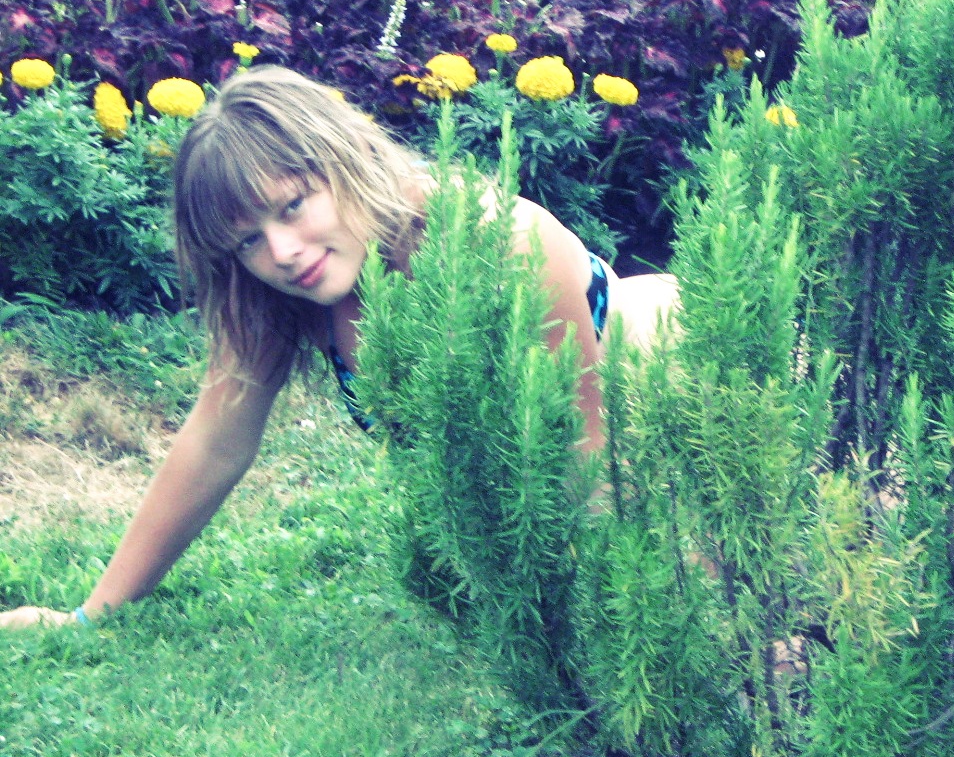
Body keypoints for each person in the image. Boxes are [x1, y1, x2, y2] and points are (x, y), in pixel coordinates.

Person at [0, 65, 677, 630]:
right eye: (247, 239)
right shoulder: (278, 293)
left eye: (292, 205)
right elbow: (214, 443)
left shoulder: (501, 241)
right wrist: (89, 614)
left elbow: (587, 450)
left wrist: (618, 621)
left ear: (344, 161)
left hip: (670, 386)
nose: (281, 252)